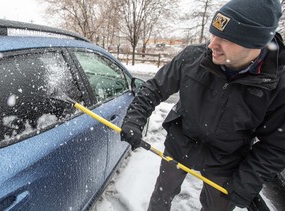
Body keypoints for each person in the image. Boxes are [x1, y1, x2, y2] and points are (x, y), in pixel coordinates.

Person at [120, 0, 285, 210]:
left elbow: (276, 145)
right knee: (161, 197)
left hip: (226, 161)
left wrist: (246, 183)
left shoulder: (278, 85)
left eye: (225, 38)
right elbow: (155, 87)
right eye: (213, 34)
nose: (212, 45)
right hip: (180, 144)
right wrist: (135, 119)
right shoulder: (193, 57)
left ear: (255, 43)